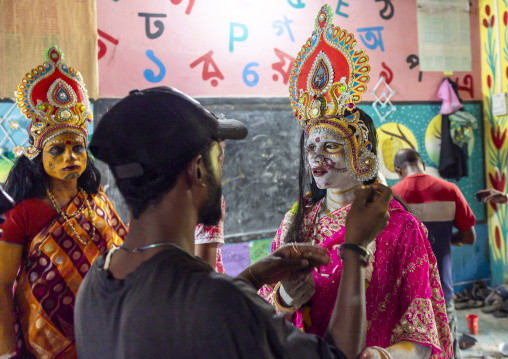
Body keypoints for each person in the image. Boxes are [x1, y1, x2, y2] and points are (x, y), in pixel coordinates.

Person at [73, 86, 393, 359]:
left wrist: (251, 277)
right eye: (218, 157)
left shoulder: (95, 283)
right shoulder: (216, 302)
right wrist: (354, 249)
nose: (222, 169)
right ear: (198, 170)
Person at [259, 5, 452, 359]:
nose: (317, 157)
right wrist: (285, 299)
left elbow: (424, 337)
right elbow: (261, 318)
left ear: (363, 157)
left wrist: (383, 356)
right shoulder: (294, 222)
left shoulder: (400, 228)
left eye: (330, 145)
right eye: (311, 147)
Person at [0, 46, 127, 359]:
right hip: (43, 341)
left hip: (104, 332)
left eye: (78, 148)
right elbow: (1, 285)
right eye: (57, 150)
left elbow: (124, 254)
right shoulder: (22, 214)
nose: (70, 157)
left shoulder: (97, 199)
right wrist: (6, 352)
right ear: (37, 156)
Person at [391, 148, 476, 359]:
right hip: (443, 291)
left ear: (398, 170)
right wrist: (446, 239)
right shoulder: (450, 190)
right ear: (422, 164)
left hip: (407, 297)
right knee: (449, 348)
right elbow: (469, 238)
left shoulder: (391, 197)